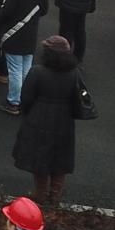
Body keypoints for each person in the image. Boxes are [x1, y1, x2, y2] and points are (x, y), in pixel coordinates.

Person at [13, 36, 85, 205]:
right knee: (60, 159)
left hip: (39, 117)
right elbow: (79, 99)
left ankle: (40, 193)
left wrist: (27, 113)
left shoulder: (37, 71)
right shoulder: (74, 73)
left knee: (40, 158)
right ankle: (55, 195)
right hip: (64, 120)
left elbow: (26, 97)